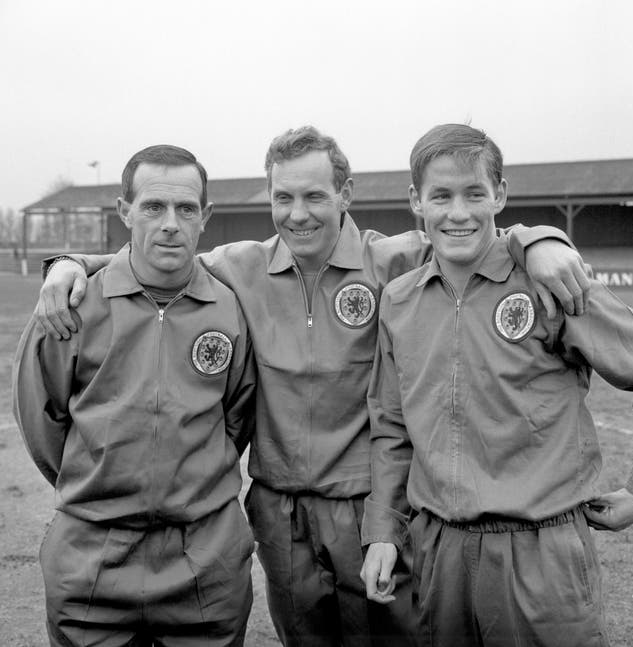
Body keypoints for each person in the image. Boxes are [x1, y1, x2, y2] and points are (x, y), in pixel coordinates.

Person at [35, 126, 591, 647]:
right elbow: (156, 254)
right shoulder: (239, 268)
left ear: (345, 193)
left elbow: (471, 231)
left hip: (367, 506)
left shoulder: (395, 260)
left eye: (315, 197)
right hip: (280, 514)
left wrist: (538, 239)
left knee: (395, 636)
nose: (298, 215)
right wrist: (70, 263)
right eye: (283, 198)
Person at [360, 123, 633, 647]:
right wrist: (383, 531)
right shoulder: (398, 301)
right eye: (440, 196)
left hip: (543, 554)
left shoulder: (549, 281)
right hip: (439, 549)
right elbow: (392, 429)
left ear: (501, 196)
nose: (458, 212)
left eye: (474, 194)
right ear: (416, 202)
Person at [13, 145, 256, 647]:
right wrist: (98, 482)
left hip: (203, 559)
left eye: (186, 209)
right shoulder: (73, 306)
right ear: (125, 212)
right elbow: (43, 420)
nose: (170, 223)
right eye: (153, 207)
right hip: (92, 557)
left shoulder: (230, 308)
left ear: (205, 217)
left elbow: (237, 417)